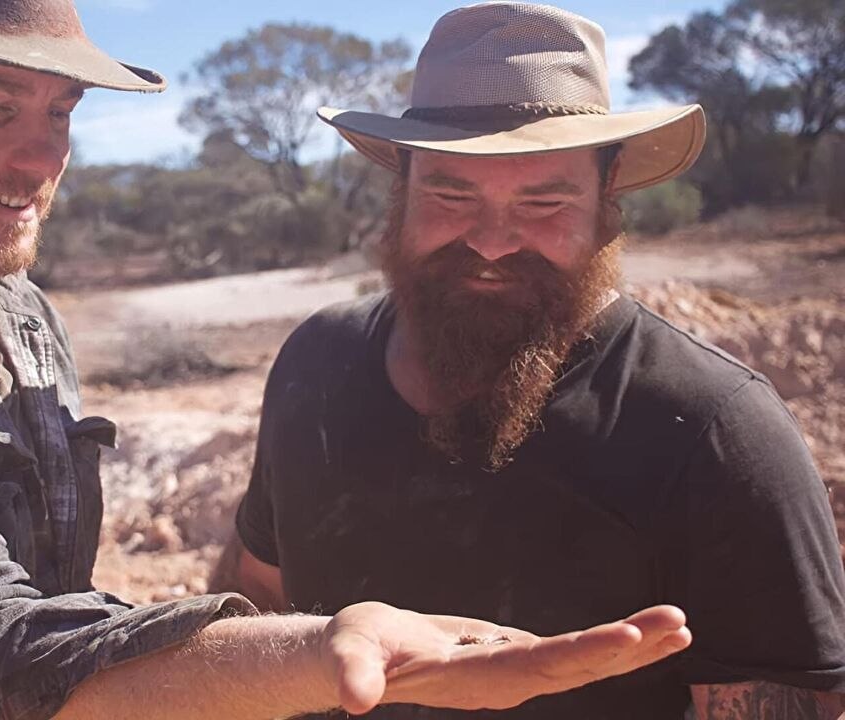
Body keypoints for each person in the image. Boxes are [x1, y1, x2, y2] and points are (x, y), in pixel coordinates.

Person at [0, 1, 694, 719]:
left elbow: (43, 605)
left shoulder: (14, 308)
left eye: (58, 110)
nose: (42, 159)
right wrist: (321, 651)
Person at [231, 3, 845, 719]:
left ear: (607, 197)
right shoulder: (317, 363)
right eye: (451, 193)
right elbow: (260, 597)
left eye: (544, 200)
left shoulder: (712, 430)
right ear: (401, 190)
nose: (493, 242)